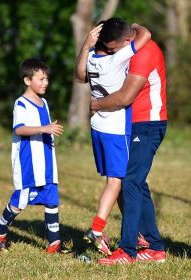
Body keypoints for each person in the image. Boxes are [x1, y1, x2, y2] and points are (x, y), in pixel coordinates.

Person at [90, 18, 168, 265]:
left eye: (113, 48)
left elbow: (124, 97)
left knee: (130, 182)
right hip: (131, 125)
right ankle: (154, 248)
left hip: (148, 124)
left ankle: (127, 251)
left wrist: (96, 104)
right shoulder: (126, 47)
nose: (111, 53)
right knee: (135, 183)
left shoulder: (145, 52)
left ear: (126, 41)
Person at [75, 18, 151, 255]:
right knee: (116, 182)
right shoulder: (115, 59)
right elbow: (145, 34)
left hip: (97, 127)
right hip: (116, 130)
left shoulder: (92, 59)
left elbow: (79, 76)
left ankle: (135, 232)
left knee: (115, 182)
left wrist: (86, 45)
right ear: (112, 43)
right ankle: (97, 230)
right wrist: (134, 26)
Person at [0, 58, 64, 254]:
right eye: (41, 79)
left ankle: (54, 244)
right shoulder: (21, 104)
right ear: (27, 80)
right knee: (21, 200)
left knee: (51, 198)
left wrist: (48, 131)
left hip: (46, 160)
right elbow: (19, 129)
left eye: (47, 79)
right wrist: (44, 128)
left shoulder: (44, 102)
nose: (46, 82)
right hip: (28, 162)